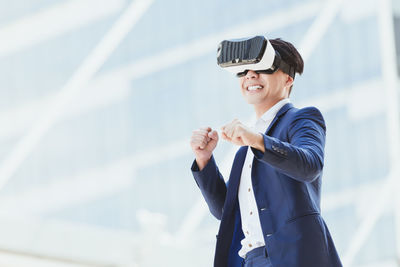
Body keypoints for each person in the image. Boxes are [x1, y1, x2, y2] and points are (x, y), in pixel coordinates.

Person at [190, 38, 342, 267]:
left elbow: (310, 165)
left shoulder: (301, 118)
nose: (250, 76)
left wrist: (255, 139)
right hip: (250, 260)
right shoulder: (246, 150)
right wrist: (204, 160)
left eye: (262, 68)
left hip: (295, 257)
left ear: (288, 78)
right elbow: (225, 210)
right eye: (244, 72)